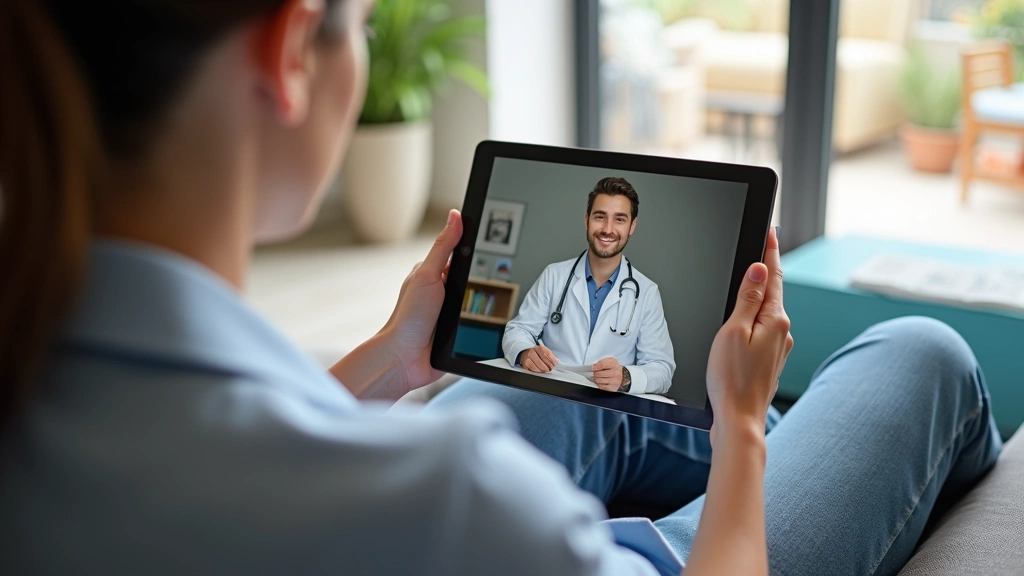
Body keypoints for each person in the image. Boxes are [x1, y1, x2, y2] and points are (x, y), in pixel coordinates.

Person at [0, 1, 1001, 575]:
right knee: (922, 354)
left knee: (560, 388)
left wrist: (392, 365)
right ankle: (691, 505)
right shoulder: (453, 502)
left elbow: (223, 450)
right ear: (290, 53)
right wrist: (740, 423)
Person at [503, 177, 676, 396]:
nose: (607, 229)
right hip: (549, 390)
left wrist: (626, 378)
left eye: (619, 219)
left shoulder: (647, 293)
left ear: (632, 226)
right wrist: (525, 352)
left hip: (606, 404)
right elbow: (519, 330)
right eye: (600, 217)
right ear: (587, 220)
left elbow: (662, 369)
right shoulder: (554, 275)